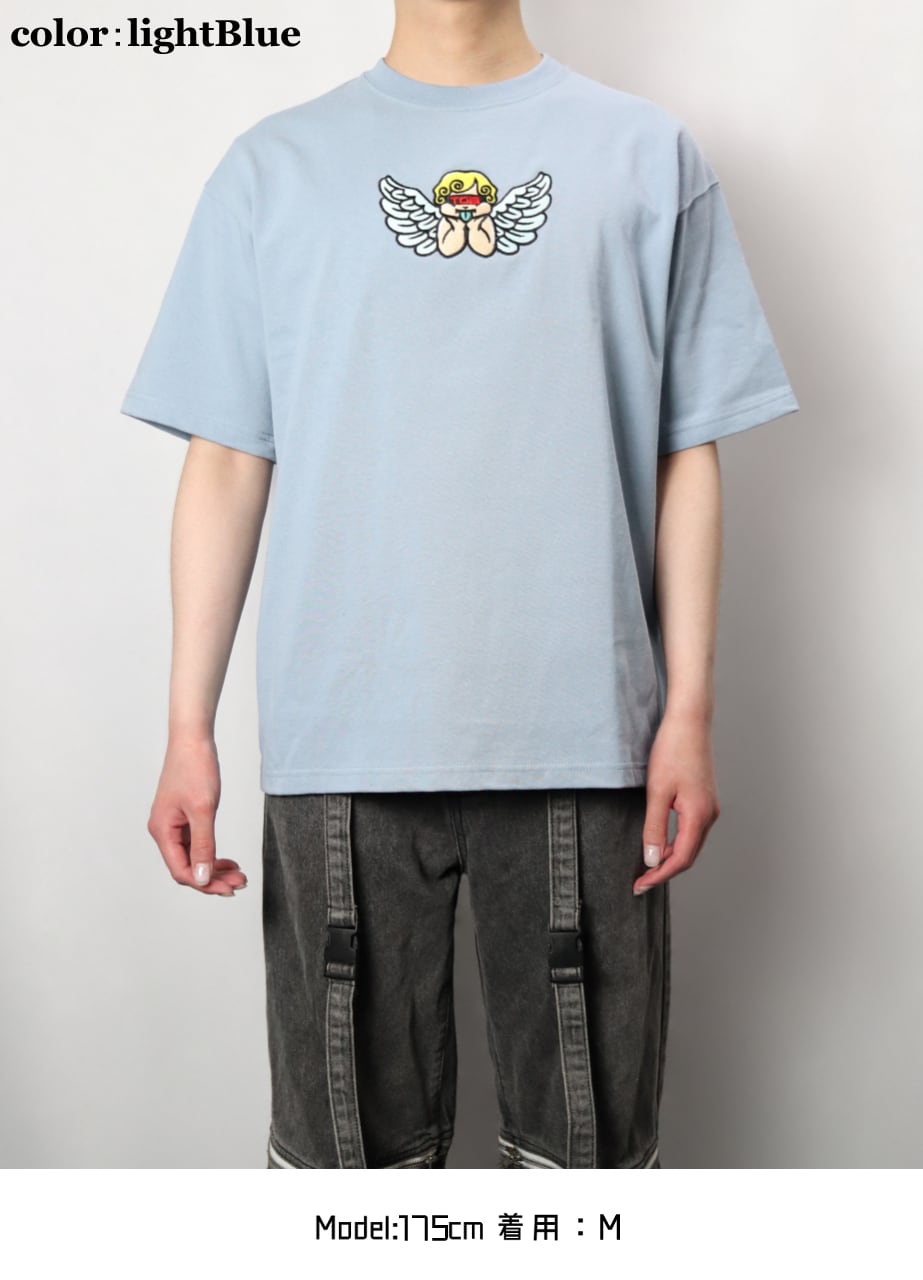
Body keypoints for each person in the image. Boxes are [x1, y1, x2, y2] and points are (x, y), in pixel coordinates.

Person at [121, 0, 799, 1170]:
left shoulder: (645, 156)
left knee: (586, 1180)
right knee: (343, 1186)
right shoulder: (272, 169)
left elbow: (683, 448)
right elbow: (227, 457)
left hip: (587, 739)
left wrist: (686, 710)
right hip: (340, 739)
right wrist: (188, 727)